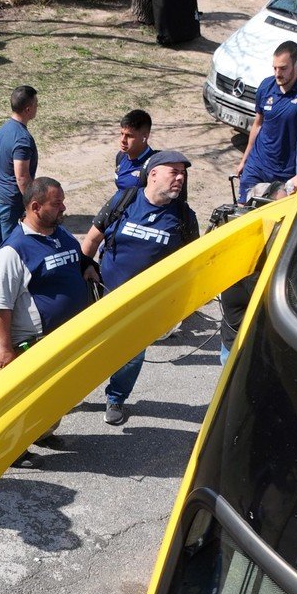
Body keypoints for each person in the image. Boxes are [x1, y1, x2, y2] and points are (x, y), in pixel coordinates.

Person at [80, 150, 200, 426]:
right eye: (174, 171)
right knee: (86, 348)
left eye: (183, 173)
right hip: (103, 293)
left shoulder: (184, 216)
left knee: (131, 356)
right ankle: (69, 395)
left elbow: (191, 264)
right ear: (154, 173)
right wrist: (83, 269)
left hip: (144, 305)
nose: (180, 178)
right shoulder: (126, 200)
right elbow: (92, 239)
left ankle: (116, 398)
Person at [0, 177, 99, 463]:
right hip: (33, 342)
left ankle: (41, 432)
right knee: (20, 402)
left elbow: (75, 259)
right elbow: (1, 305)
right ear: (36, 207)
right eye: (57, 203)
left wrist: (87, 268)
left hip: (65, 337)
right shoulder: (13, 251)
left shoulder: (59, 234)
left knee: (57, 393)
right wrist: (5, 349)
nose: (64, 207)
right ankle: (11, 449)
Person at [235, 41, 297, 204]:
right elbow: (258, 124)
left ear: (296, 64)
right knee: (241, 211)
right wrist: (245, 160)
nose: (278, 73)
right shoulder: (266, 86)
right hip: (257, 164)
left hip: (287, 173)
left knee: (274, 222)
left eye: (283, 68)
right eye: (275, 68)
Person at [0, 85, 40, 298]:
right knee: (11, 248)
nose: (37, 108)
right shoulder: (22, 138)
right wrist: (30, 203)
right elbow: (22, 177)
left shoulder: (5, 128)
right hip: (10, 200)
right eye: (35, 104)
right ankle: (6, 293)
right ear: (28, 109)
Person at [115, 108, 156, 191]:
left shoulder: (153, 166)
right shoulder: (121, 156)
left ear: (144, 137)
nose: (122, 140)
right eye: (122, 134)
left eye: (129, 136)